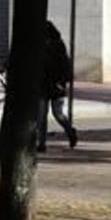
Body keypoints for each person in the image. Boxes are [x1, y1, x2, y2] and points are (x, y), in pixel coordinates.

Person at [38, 21, 78, 152]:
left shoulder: (57, 46)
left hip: (55, 85)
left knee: (57, 114)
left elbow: (65, 67)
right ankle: (42, 143)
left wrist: (62, 81)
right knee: (43, 115)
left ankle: (70, 131)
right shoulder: (43, 47)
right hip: (45, 85)